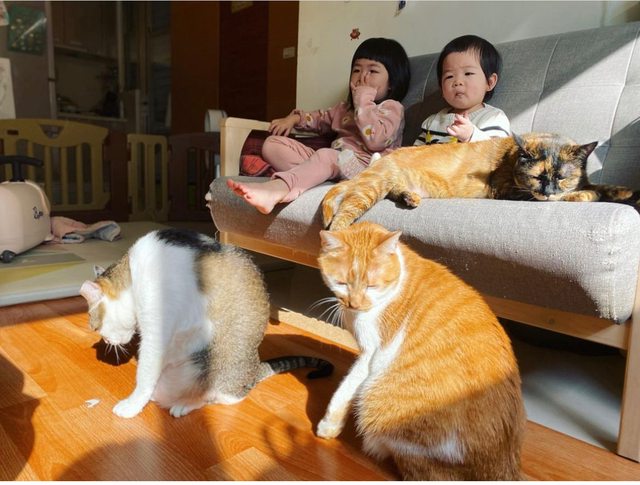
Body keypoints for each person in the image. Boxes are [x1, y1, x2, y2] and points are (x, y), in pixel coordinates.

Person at [227, 37, 411, 214]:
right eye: (356, 70)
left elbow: (376, 141)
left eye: (373, 71)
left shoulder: (392, 108)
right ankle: (315, 179)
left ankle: (279, 189)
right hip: (334, 165)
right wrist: (294, 119)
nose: (362, 77)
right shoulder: (344, 109)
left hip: (365, 172)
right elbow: (318, 118)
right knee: (272, 144)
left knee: (327, 156)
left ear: (392, 83)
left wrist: (363, 101)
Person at [414, 35, 510, 145]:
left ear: (490, 82)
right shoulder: (431, 122)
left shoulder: (493, 117)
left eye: (468, 73)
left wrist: (471, 135)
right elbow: (416, 152)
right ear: (441, 87)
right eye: (449, 76)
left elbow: (498, 150)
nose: (458, 81)